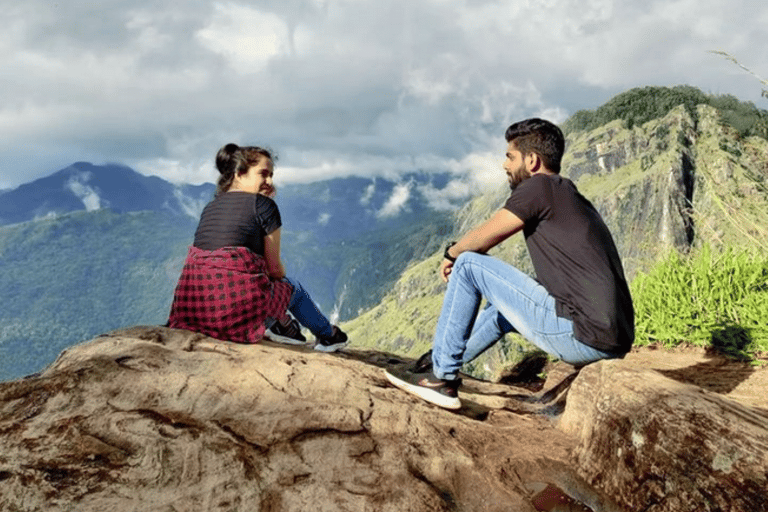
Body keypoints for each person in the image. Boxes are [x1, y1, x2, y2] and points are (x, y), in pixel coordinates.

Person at [385, 118, 634, 409]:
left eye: (509, 156)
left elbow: (482, 239)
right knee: (502, 309)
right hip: (610, 339)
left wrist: (451, 253)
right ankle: (436, 363)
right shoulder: (566, 193)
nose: (504, 165)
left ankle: (440, 379)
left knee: (468, 264)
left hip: (582, 335)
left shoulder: (539, 187)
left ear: (531, 160)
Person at [168, 143, 347, 352]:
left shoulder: (211, 207)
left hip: (196, 309)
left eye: (271, 175)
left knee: (245, 281)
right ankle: (329, 336)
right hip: (234, 311)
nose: (269, 182)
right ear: (239, 173)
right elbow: (274, 270)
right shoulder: (264, 206)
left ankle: (282, 325)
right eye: (263, 174)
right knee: (291, 287)